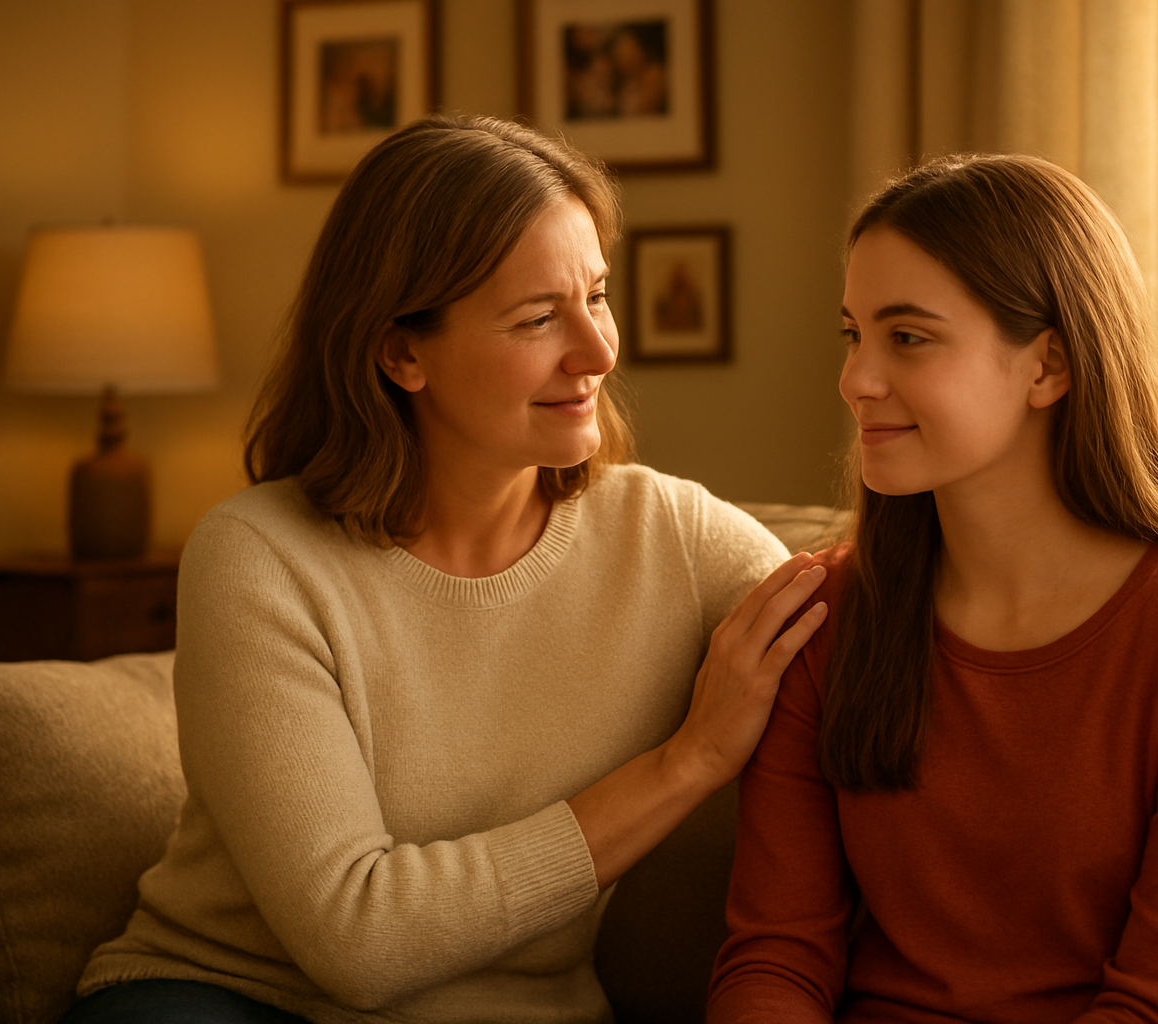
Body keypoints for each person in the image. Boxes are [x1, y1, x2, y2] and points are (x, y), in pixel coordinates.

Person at [61, 114, 828, 1024]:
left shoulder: (673, 536)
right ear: (401, 352)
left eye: (598, 295)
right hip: (231, 999)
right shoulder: (257, 556)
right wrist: (688, 762)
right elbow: (359, 938)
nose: (599, 352)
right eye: (539, 318)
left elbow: (877, 643)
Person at [707, 154, 1158, 1024]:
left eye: (907, 337)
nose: (856, 381)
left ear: (1048, 368)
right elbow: (777, 956)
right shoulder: (822, 618)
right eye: (853, 335)